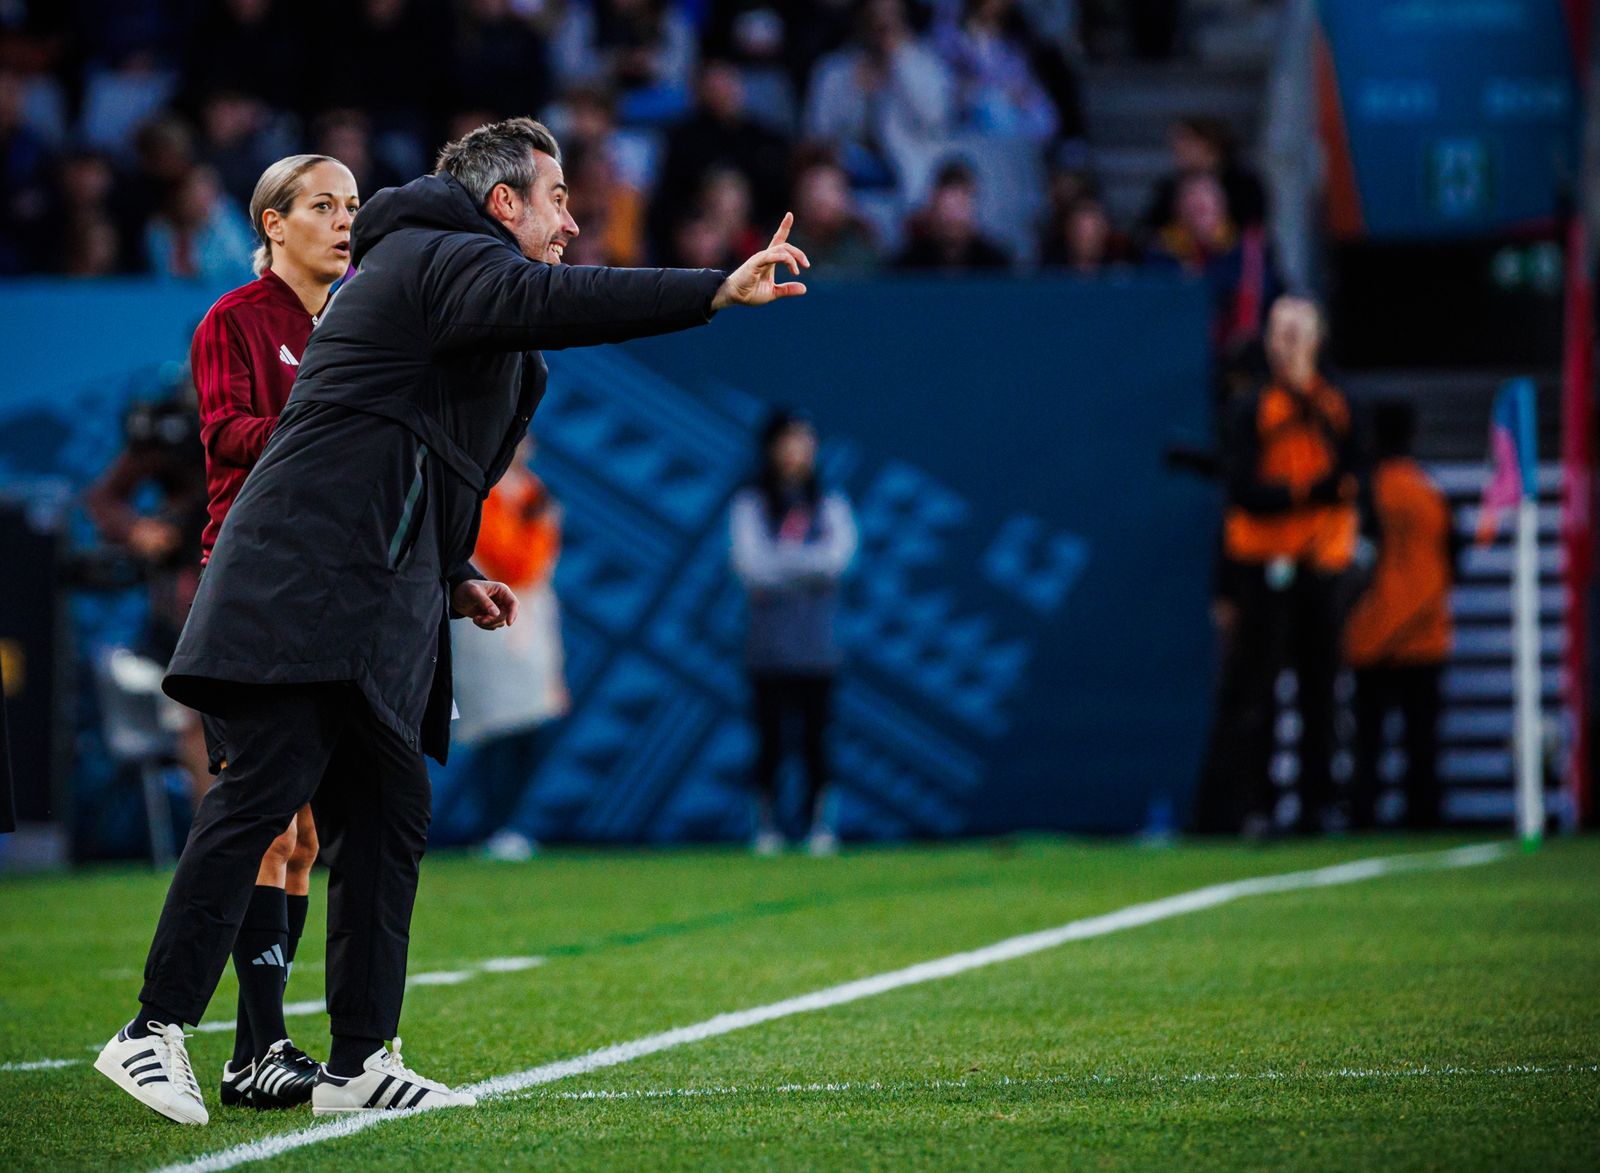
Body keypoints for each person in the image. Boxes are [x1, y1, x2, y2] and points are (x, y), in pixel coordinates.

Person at [95, 115, 810, 1126]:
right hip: (300, 579)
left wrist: (456, 570)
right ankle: (150, 1030)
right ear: (503, 203)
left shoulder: (473, 312)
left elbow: (416, 459)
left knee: (390, 819)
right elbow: (545, 302)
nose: (573, 223)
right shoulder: (433, 254)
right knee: (263, 794)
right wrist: (711, 288)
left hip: (379, 599)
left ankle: (357, 1063)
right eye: (558, 201)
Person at [184, 153, 363, 1110]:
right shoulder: (234, 321)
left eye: (353, 207)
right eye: (323, 206)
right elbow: (226, 434)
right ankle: (259, 1049)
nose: (344, 221)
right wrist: (329, 414)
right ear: (271, 223)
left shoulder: (354, 322)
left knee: (301, 836)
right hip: (248, 588)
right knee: (267, 819)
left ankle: (259, 1054)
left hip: (326, 594)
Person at [1219, 296, 1358, 837]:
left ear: (1317, 339)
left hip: (1321, 565)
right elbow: (1245, 492)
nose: (1287, 343)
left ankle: (1321, 805)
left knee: (1321, 691)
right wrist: (1306, 494)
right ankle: (1255, 807)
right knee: (1259, 692)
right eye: (1278, 332)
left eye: (1297, 331)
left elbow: (1352, 481)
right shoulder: (1251, 408)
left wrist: (1320, 504)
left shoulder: (1335, 405)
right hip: (1263, 566)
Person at [730, 410, 858, 855]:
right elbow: (751, 567)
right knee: (769, 741)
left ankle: (820, 827)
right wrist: (805, 563)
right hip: (767, 648)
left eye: (805, 441)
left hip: (818, 647)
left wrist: (782, 560)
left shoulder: (830, 502)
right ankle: (764, 828)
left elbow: (838, 560)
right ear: (771, 447)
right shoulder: (750, 503)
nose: (797, 450)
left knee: (816, 742)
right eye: (789, 441)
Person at [451, 435, 570, 861]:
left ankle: (511, 823)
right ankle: (490, 825)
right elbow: (507, 559)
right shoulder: (479, 494)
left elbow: (536, 567)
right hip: (488, 615)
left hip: (534, 619)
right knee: (494, 730)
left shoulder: (539, 495)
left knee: (532, 726)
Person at [1345, 402, 1457, 830]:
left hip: (1371, 634)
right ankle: (1424, 819)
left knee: (1367, 744)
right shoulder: (1430, 491)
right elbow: (1454, 560)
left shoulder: (1365, 491)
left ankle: (1362, 820)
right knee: (1421, 743)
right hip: (1425, 636)